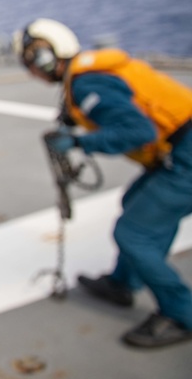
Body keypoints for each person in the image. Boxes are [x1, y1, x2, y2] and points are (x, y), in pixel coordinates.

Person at [16, 18, 192, 348]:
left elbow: (140, 132)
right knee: (135, 203)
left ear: (45, 57)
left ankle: (182, 315)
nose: (31, 72)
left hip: (187, 155)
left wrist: (81, 142)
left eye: (31, 62)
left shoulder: (85, 85)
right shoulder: (84, 79)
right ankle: (123, 284)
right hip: (179, 150)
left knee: (133, 233)